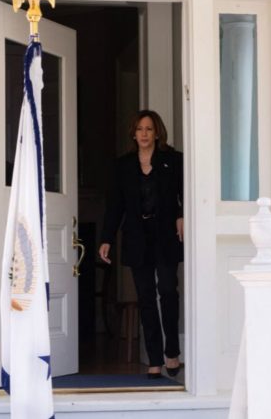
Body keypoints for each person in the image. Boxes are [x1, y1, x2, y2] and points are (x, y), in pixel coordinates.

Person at [98, 109, 184, 379]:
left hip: (166, 235)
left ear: (157, 132)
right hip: (137, 237)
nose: (144, 134)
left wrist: (182, 216)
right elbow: (115, 207)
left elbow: (186, 193)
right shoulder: (122, 166)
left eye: (149, 129)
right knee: (146, 298)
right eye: (139, 129)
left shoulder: (173, 160)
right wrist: (106, 239)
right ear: (133, 134)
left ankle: (173, 353)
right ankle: (155, 359)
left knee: (168, 291)